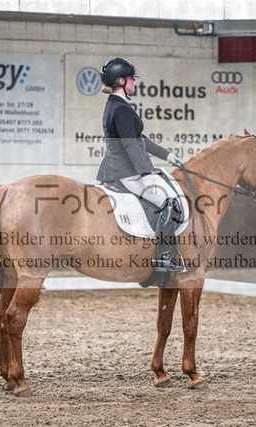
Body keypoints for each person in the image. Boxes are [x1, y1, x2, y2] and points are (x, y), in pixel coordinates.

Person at [97, 57, 186, 273]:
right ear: (121, 81)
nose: (134, 82)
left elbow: (139, 139)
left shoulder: (116, 105)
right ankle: (164, 256)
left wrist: (167, 155)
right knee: (170, 202)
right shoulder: (121, 108)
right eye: (131, 79)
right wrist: (145, 173)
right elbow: (130, 144)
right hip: (126, 172)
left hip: (118, 169)